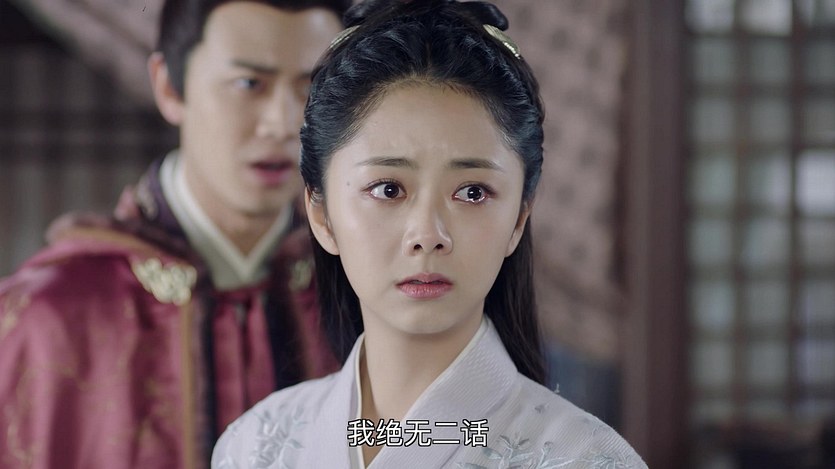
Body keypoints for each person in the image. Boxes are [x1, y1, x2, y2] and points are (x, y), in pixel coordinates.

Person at [212, 0, 648, 467]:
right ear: (321, 214)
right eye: (388, 189)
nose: (427, 234)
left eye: (473, 193)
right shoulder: (255, 447)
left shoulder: (586, 458)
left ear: (519, 219)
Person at [0, 1, 347, 467]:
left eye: (311, 87)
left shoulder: (354, 297)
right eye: (249, 84)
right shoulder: (43, 317)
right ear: (168, 86)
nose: (284, 123)